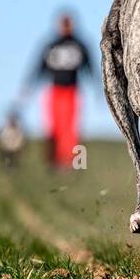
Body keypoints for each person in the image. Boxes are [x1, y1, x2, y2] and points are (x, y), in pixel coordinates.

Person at [25, 13, 93, 169]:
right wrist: (28, 87)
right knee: (53, 126)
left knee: (71, 128)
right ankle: (54, 161)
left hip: (72, 91)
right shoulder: (51, 45)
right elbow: (39, 68)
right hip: (55, 91)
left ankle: (72, 162)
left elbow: (90, 68)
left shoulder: (79, 45)